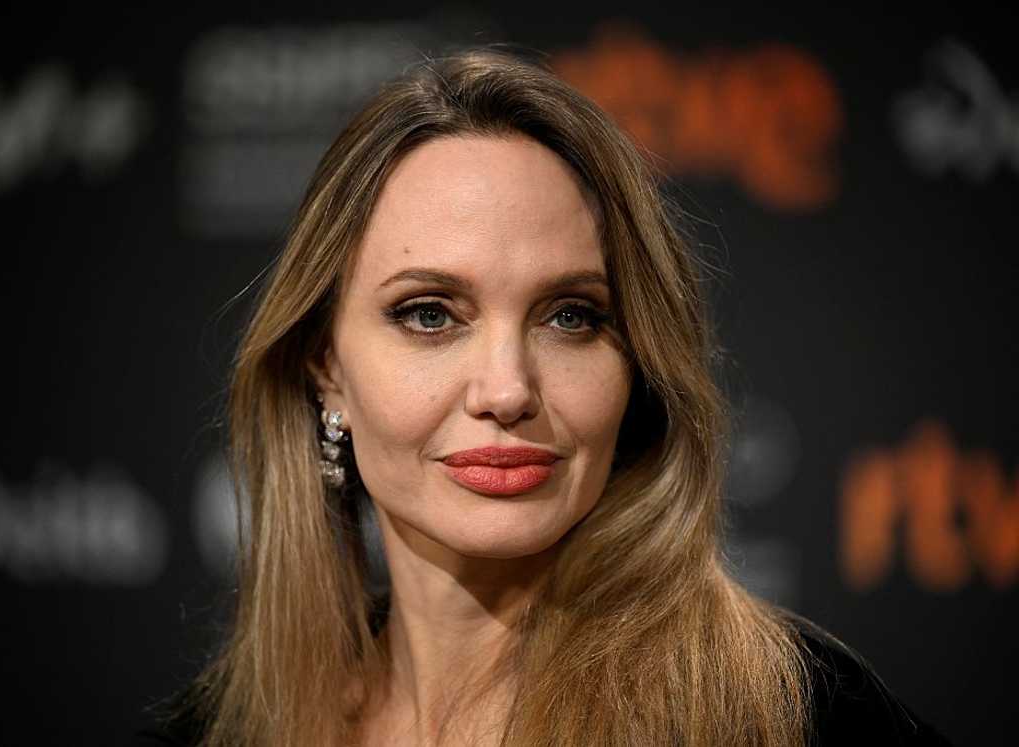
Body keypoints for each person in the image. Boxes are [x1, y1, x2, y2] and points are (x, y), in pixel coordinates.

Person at [140, 48, 952, 746]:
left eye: (571, 316)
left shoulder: (793, 717)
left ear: (637, 361)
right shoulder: (216, 733)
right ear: (326, 366)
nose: (507, 390)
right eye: (430, 314)